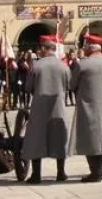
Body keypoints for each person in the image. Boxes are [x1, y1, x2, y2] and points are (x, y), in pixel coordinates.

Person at [23, 35, 71, 184]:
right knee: (58, 137)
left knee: (36, 138)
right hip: (58, 105)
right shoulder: (63, 66)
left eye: (40, 48)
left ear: (44, 49)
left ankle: (36, 175)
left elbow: (28, 87)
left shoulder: (36, 66)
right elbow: (69, 86)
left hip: (39, 106)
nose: (39, 50)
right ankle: (61, 173)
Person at [69, 34, 102, 183]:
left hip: (87, 105)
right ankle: (99, 170)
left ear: (90, 47)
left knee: (89, 139)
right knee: (100, 140)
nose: (84, 49)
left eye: (86, 46)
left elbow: (72, 84)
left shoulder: (83, 64)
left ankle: (95, 172)